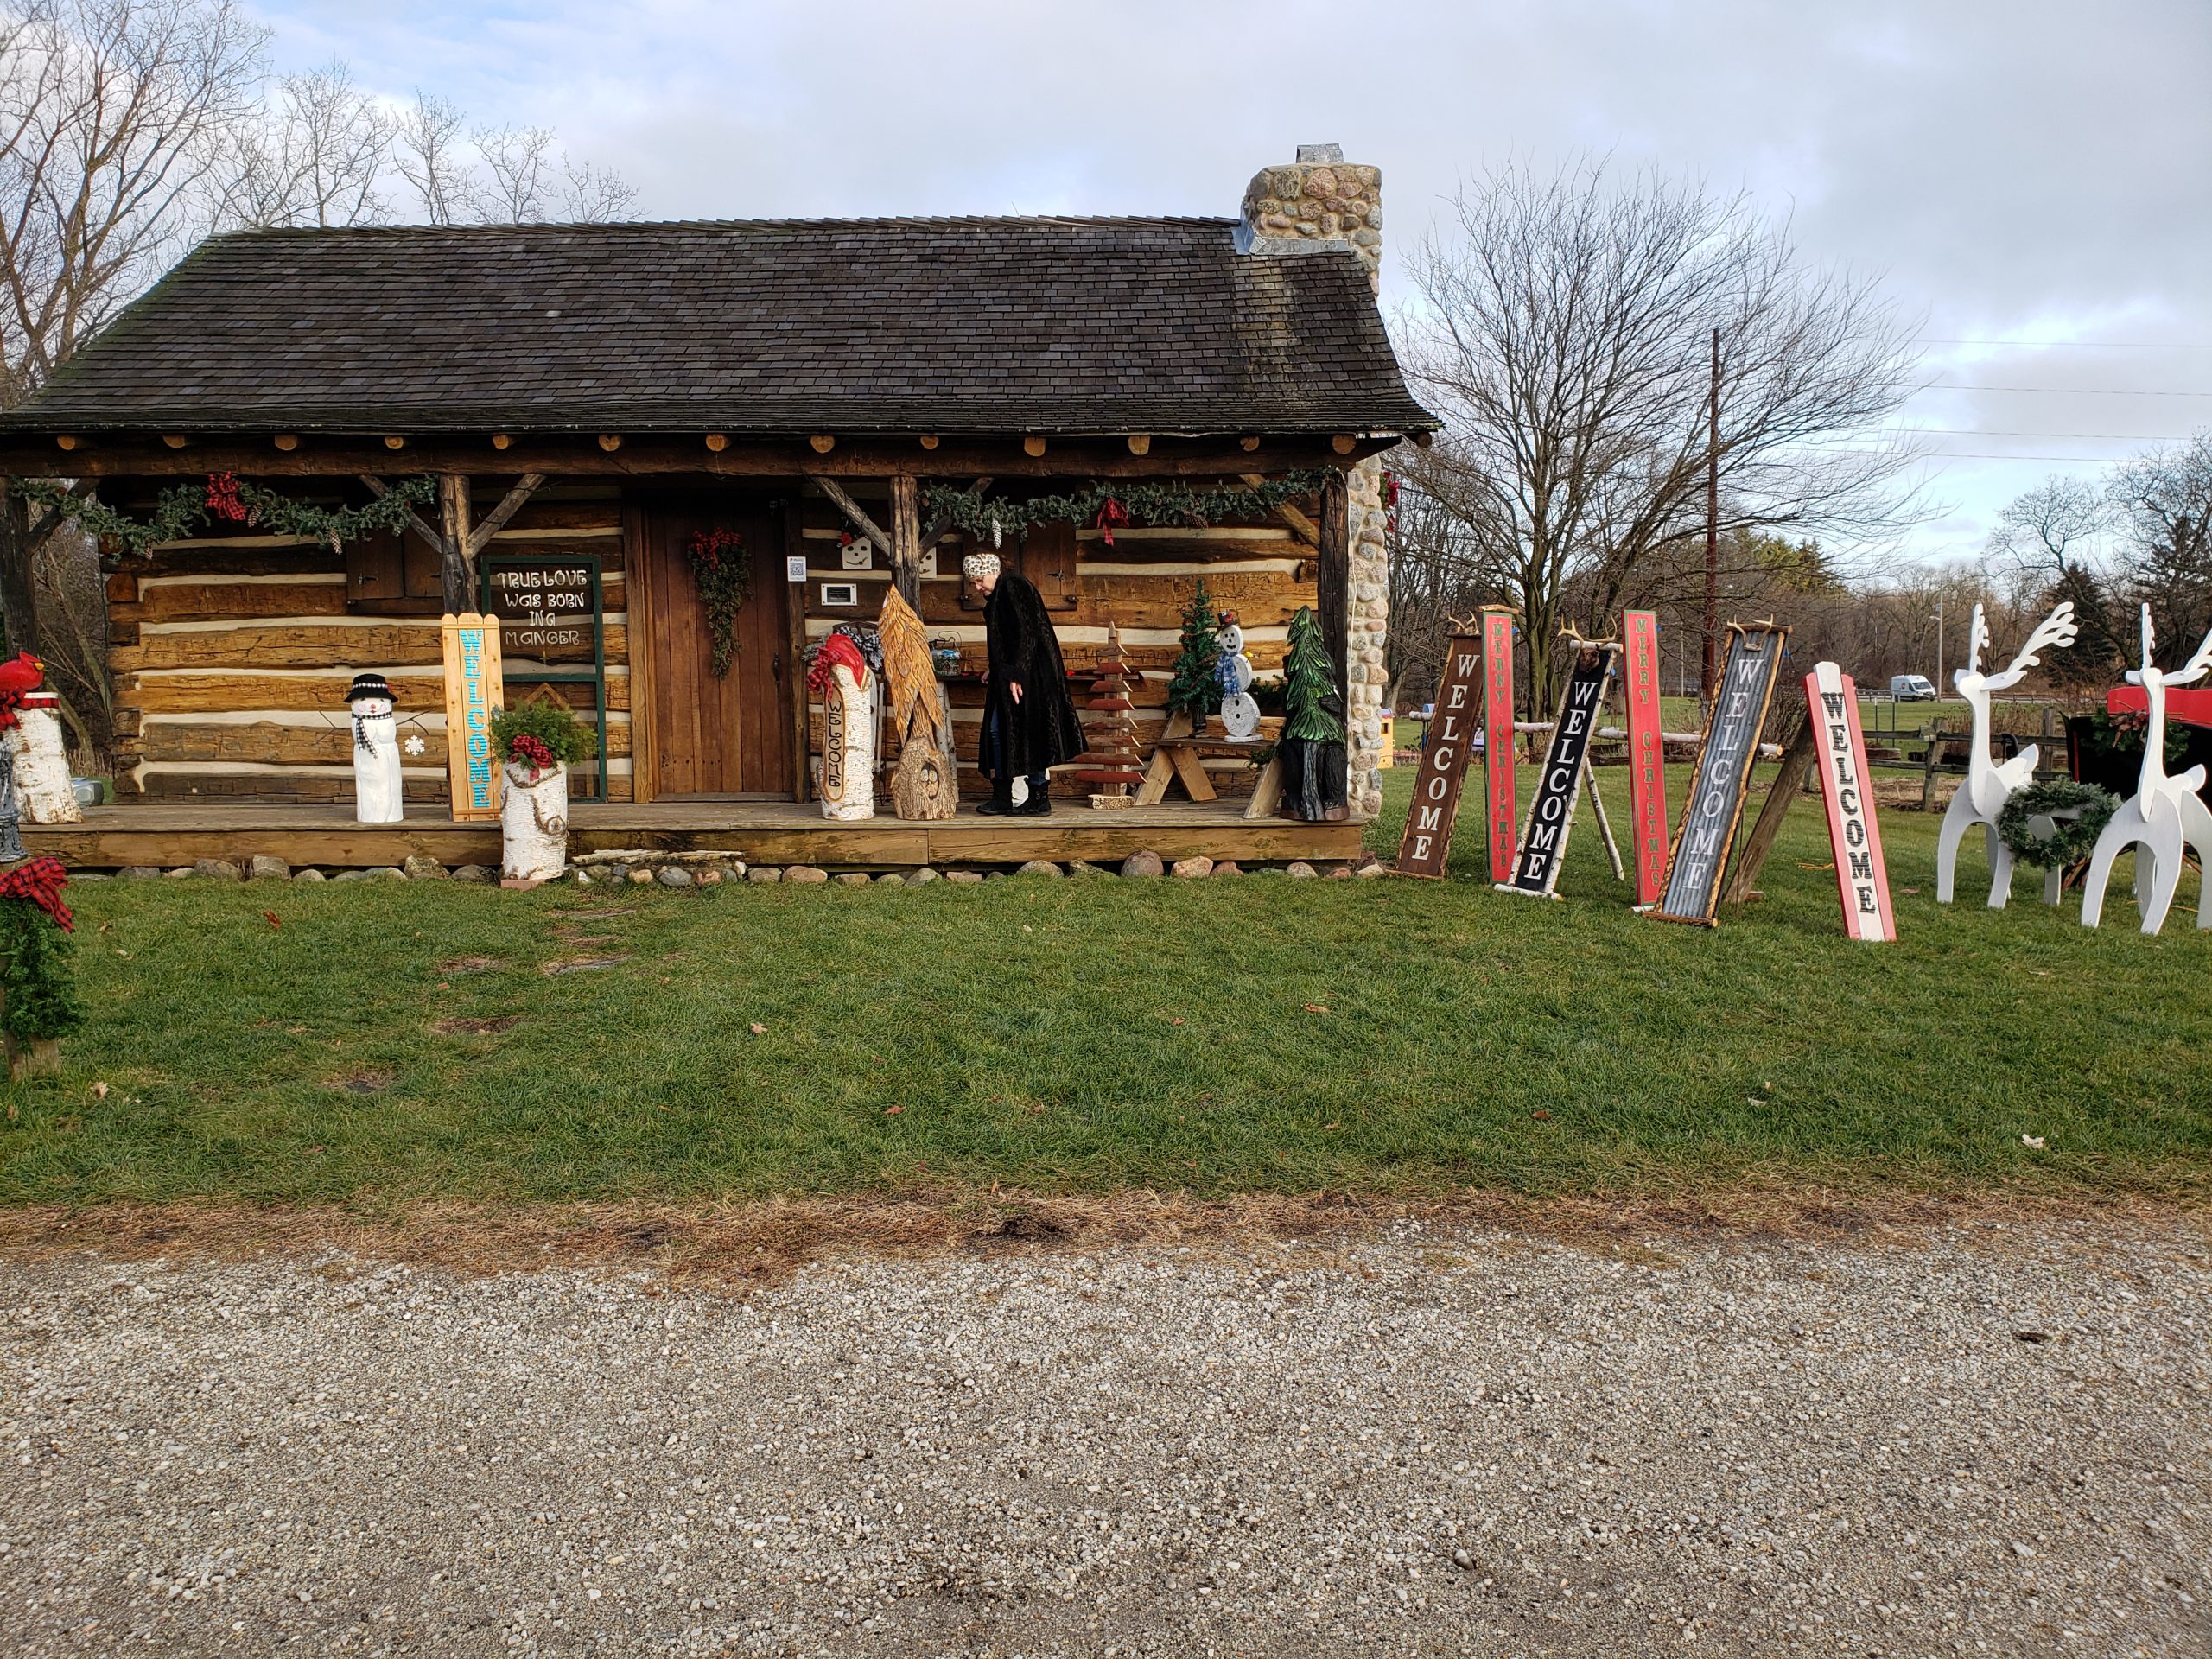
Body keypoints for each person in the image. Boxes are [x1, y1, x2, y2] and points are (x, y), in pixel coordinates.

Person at [967, 550, 1084, 816]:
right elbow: (1007, 638)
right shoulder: (999, 592)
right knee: (997, 731)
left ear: (993, 571)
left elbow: (1028, 632)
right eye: (973, 582)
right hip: (1009, 674)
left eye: (979, 580)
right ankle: (1002, 796)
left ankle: (1039, 798)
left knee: (1032, 730)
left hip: (1033, 674)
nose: (977, 587)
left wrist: (1018, 674)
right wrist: (995, 668)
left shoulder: (1013, 584)